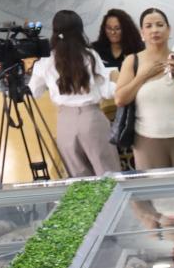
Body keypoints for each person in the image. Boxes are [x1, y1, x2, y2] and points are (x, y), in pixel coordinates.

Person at [28, 10, 121, 179]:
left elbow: (33, 92)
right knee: (108, 174)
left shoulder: (46, 61)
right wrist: (119, 79)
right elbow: (107, 91)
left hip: (65, 121)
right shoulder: (90, 55)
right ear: (80, 30)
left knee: (80, 180)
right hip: (91, 117)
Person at [114, 8, 174, 170]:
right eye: (149, 26)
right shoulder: (133, 61)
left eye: (160, 25)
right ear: (142, 32)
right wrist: (142, 76)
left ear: (168, 29)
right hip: (147, 140)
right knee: (156, 192)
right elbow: (120, 99)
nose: (155, 30)